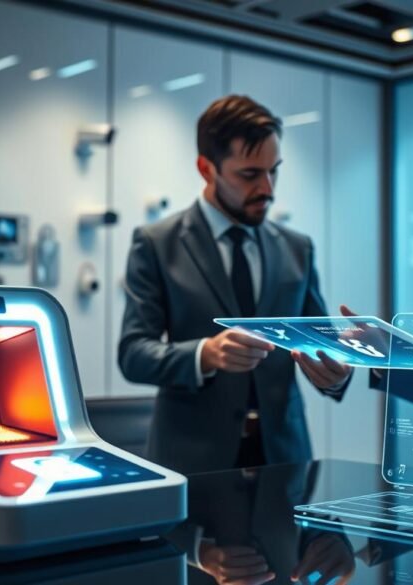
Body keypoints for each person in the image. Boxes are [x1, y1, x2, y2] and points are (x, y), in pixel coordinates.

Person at [118, 95, 352, 474]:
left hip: (285, 462)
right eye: (250, 175)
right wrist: (204, 354)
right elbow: (133, 353)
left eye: (274, 170)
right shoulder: (157, 243)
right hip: (192, 463)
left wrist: (337, 369)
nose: (268, 188)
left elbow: (317, 343)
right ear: (206, 168)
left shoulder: (297, 248)